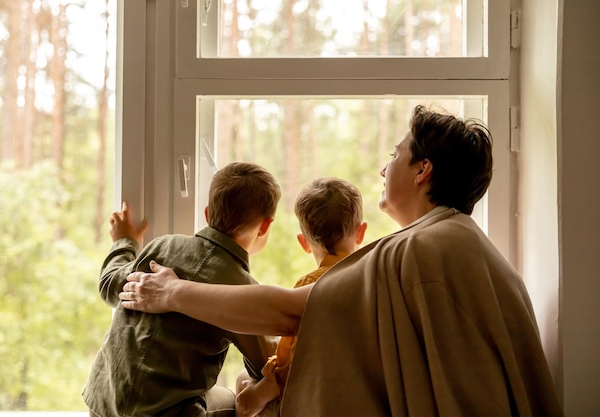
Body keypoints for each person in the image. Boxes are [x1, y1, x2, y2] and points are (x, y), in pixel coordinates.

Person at [119, 105, 564, 417]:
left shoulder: (426, 248)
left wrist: (171, 291)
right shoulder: (457, 245)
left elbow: (290, 311)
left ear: (422, 170)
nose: (383, 168)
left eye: (394, 155)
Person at [82, 162, 281, 417]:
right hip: (166, 412)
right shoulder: (242, 289)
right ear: (265, 226)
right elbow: (266, 366)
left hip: (103, 404)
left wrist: (124, 241)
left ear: (208, 214)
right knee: (236, 401)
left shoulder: (164, 247)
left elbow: (109, 284)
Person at [234, 177, 368, 417]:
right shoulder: (371, 277)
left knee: (244, 380)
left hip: (313, 398)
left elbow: (291, 361)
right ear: (361, 232)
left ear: (303, 243)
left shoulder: (310, 287)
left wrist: (259, 392)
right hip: (357, 393)